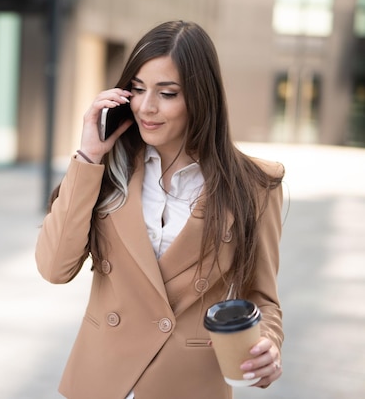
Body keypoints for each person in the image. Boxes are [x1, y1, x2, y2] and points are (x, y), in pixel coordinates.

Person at [35, 20, 285, 399]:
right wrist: (88, 157)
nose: (146, 107)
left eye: (167, 93)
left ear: (200, 98)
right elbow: (54, 268)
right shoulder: (106, 168)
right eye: (137, 89)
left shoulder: (253, 186)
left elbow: (261, 298)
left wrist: (267, 344)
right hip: (100, 381)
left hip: (188, 383)